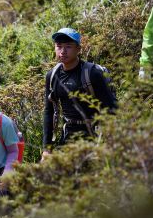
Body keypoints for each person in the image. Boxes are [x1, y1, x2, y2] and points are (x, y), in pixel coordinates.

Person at [42, 27, 117, 161]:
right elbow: (48, 111)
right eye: (59, 46)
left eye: (68, 47)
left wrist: (110, 142)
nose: (63, 51)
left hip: (94, 135)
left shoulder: (92, 74)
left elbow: (111, 108)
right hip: (68, 135)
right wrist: (47, 148)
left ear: (78, 49)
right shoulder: (52, 76)